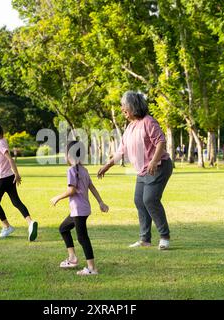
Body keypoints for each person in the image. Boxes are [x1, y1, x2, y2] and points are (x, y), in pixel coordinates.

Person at [97, 91, 173, 250]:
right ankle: (145, 239)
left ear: (133, 106)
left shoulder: (148, 122)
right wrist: (106, 166)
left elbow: (161, 142)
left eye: (124, 105)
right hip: (143, 170)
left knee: (150, 199)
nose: (122, 108)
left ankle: (164, 237)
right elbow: (120, 152)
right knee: (140, 200)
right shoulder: (130, 127)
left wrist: (153, 161)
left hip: (159, 166)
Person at [51, 141, 109, 276]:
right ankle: (72, 259)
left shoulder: (71, 170)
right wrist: (100, 202)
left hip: (78, 210)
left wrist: (57, 197)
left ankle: (91, 268)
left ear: (68, 154)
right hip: (80, 210)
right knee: (63, 228)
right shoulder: (84, 170)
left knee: (82, 238)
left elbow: (71, 190)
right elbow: (92, 187)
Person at [0, 119, 38, 240]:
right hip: (9, 178)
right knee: (16, 202)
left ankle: (7, 226)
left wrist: (17, 174)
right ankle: (30, 222)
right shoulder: (1, 142)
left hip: (4, 179)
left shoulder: (0, 144)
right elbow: (1, 163)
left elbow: (10, 159)